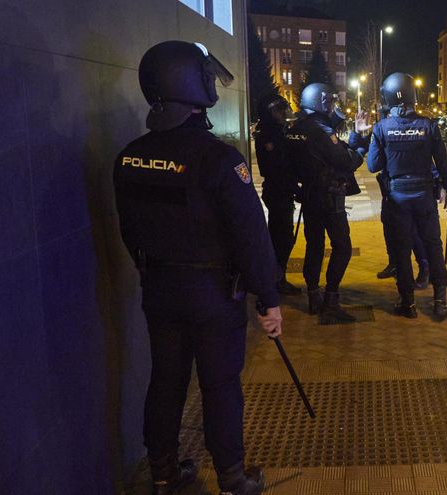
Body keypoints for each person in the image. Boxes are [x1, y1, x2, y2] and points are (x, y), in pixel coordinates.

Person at [114, 41, 281, 495]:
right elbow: (252, 238)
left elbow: (129, 232)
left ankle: (164, 474)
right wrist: (268, 299)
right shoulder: (220, 160)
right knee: (220, 386)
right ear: (193, 86)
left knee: (165, 381)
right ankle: (232, 478)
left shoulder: (128, 157)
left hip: (160, 291)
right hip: (212, 294)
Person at [368, 72, 447, 319]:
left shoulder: (382, 128)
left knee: (402, 250)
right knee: (434, 246)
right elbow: (443, 164)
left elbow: (373, 165)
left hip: (397, 198)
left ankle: (407, 303)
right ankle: (440, 301)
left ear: (388, 97)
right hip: (424, 197)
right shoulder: (429, 126)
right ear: (413, 95)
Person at [287, 82, 368, 324]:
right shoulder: (321, 130)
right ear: (320, 101)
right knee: (342, 247)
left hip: (309, 195)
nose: (332, 104)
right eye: (329, 101)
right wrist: (359, 141)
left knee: (315, 246)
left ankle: (313, 296)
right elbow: (347, 160)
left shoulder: (296, 128)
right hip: (329, 197)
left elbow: (316, 144)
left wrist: (338, 122)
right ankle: (331, 300)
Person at [252, 90, 302, 295]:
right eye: (279, 111)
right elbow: (277, 168)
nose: (283, 115)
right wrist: (293, 187)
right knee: (281, 238)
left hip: (282, 190)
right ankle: (275, 279)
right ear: (269, 112)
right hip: (277, 190)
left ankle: (277, 276)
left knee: (284, 237)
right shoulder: (268, 135)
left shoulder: (277, 131)